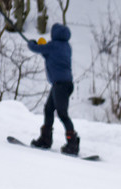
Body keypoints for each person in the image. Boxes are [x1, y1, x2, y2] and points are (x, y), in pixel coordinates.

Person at [27, 23, 80, 155]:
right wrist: (42, 49)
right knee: (49, 109)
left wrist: (31, 43)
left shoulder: (53, 46)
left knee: (62, 114)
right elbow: (51, 56)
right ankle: (45, 139)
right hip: (64, 84)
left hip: (60, 85)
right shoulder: (67, 47)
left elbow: (35, 48)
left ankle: (72, 144)